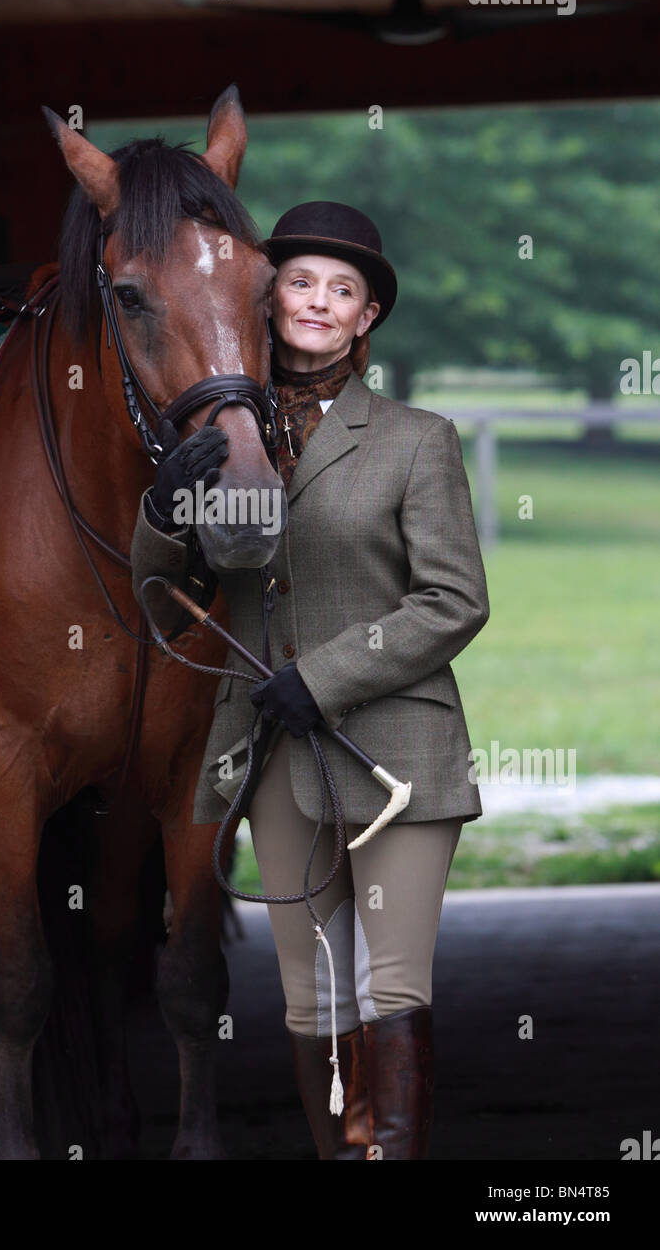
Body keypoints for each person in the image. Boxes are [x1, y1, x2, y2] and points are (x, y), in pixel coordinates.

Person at [130, 201, 490, 1160]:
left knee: (392, 987)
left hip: (397, 754)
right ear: (267, 295)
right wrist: (163, 512)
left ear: (367, 318)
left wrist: (324, 677)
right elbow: (165, 610)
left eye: (344, 290)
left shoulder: (417, 438)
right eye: (301, 282)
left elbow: (454, 601)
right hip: (275, 754)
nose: (319, 302)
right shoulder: (217, 440)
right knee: (313, 997)